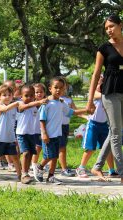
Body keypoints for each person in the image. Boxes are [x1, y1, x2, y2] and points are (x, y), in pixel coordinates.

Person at [86, 15, 123, 184]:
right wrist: (89, 101)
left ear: (120, 25)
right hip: (110, 93)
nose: (109, 29)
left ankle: (97, 166)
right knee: (116, 133)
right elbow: (95, 75)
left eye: (112, 26)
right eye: (106, 27)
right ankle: (122, 172)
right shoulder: (104, 48)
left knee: (114, 132)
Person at [33, 77, 87, 184]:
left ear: (64, 89)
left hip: (57, 134)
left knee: (55, 156)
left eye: (61, 88)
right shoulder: (46, 103)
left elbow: (71, 112)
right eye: (56, 87)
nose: (58, 90)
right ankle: (39, 167)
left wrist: (86, 110)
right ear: (50, 89)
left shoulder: (61, 103)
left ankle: (51, 176)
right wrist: (44, 133)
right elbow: (42, 119)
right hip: (48, 135)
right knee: (49, 155)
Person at [76, 76, 118, 178]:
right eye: (99, 83)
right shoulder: (94, 94)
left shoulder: (106, 95)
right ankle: (81, 168)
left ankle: (111, 170)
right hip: (93, 125)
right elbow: (99, 95)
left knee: (107, 149)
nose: (101, 85)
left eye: (103, 83)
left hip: (104, 125)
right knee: (90, 148)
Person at [16, 85, 47, 184]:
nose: (29, 97)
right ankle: (24, 173)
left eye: (32, 95)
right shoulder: (20, 104)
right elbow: (23, 107)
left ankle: (26, 172)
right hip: (22, 134)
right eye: (26, 95)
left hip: (32, 134)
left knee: (30, 154)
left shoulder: (35, 105)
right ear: (21, 96)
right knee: (25, 153)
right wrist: (37, 102)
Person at [58, 79, 77, 177]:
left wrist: (87, 115)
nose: (61, 89)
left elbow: (75, 111)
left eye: (63, 86)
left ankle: (47, 165)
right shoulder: (55, 100)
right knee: (61, 148)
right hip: (57, 126)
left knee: (61, 147)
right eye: (58, 87)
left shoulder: (69, 99)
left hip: (65, 125)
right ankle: (64, 169)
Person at [31, 83, 47, 168]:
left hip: (43, 130)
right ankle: (33, 164)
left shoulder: (46, 104)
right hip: (34, 130)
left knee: (41, 147)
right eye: (36, 92)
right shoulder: (31, 104)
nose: (39, 94)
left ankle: (40, 164)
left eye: (41, 92)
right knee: (37, 148)